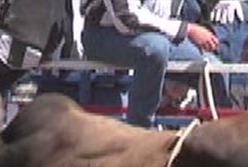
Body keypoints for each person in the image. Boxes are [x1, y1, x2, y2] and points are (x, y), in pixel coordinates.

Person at [80, 0, 225, 128]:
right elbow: (126, 18)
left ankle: (219, 137)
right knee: (155, 48)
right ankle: (138, 131)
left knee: (213, 67)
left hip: (156, 33)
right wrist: (187, 29)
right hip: (104, 33)